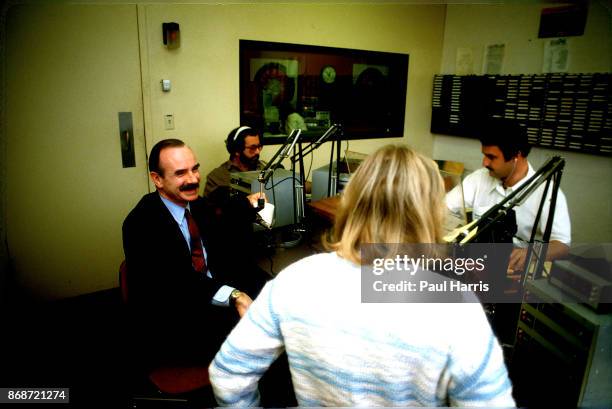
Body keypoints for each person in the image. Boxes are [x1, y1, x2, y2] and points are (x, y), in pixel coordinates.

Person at [209, 145, 515, 407]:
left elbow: (228, 376)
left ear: (352, 201)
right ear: (431, 212)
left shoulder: (294, 281)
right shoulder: (455, 305)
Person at [122, 138, 268, 368]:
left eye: (195, 169)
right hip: (175, 321)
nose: (193, 179)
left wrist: (248, 206)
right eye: (181, 173)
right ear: (157, 179)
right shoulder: (141, 224)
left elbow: (221, 224)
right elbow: (179, 283)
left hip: (206, 300)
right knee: (266, 340)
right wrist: (235, 296)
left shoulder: (197, 206)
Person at [446, 119, 571, 272]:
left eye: (491, 157)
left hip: (511, 271)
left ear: (516, 156)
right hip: (474, 265)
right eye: (484, 155)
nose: (484, 163)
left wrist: (531, 254)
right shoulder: (478, 179)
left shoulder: (547, 192)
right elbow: (443, 209)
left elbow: (562, 246)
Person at [204, 126, 266, 202]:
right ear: (237, 150)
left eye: (259, 147)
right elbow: (209, 210)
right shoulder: (217, 177)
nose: (257, 152)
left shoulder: (264, 167)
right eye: (252, 148)